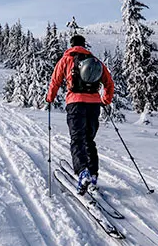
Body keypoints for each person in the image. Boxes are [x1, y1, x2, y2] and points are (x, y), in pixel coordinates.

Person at [46, 34, 115, 195]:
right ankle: (93, 175)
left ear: (71, 45)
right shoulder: (95, 61)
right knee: (89, 140)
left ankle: (82, 172)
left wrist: (49, 98)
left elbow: (55, 81)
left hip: (75, 104)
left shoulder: (66, 59)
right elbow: (109, 82)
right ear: (84, 45)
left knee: (77, 140)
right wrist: (104, 100)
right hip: (94, 105)